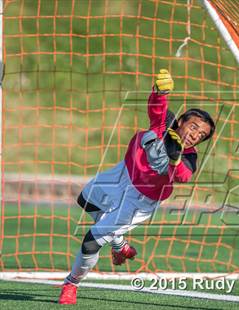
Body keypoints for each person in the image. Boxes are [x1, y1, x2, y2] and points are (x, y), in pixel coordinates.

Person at [58, 69, 215, 304]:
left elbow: (183, 176)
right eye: (193, 127)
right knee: (84, 199)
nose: (195, 136)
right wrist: (160, 92)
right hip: (123, 173)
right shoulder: (165, 124)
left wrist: (175, 159)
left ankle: (71, 284)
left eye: (201, 135)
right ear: (181, 121)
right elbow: (156, 109)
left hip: (140, 200)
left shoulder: (188, 156)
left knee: (92, 239)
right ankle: (119, 244)